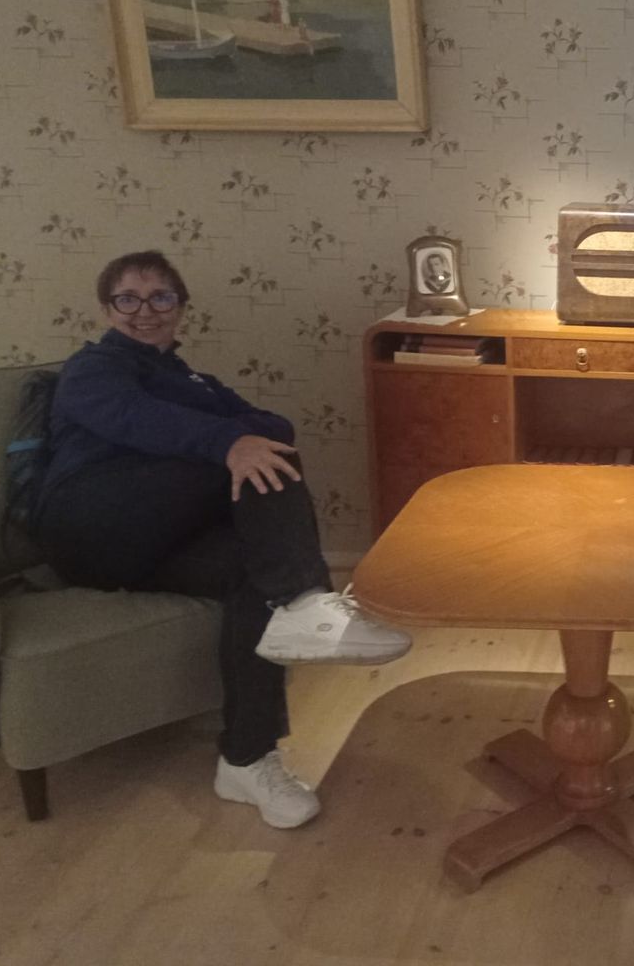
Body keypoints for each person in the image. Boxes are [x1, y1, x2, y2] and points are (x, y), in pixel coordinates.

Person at [33, 251, 412, 829]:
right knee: (262, 460)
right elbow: (134, 418)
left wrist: (234, 435)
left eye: (161, 297)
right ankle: (308, 602)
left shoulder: (195, 383)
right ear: (107, 310)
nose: (144, 311)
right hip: (89, 528)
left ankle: (247, 759)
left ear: (181, 307)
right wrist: (229, 441)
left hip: (159, 546)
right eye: (127, 298)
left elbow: (277, 426)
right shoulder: (93, 369)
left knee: (255, 568)